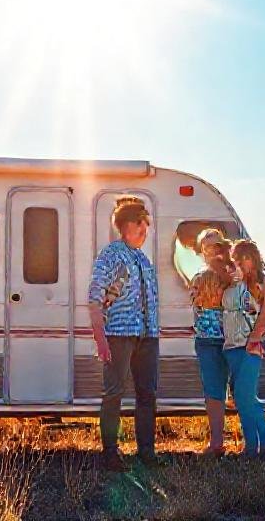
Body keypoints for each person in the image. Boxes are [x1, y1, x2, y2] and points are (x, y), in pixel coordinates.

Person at [88, 196, 159, 471]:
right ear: (126, 225)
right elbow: (95, 297)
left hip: (147, 336)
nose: (144, 230)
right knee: (114, 392)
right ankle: (110, 453)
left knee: (147, 394)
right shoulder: (111, 255)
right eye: (140, 224)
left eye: (146, 225)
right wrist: (100, 339)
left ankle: (147, 452)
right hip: (119, 335)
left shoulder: (143, 259)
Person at [225, 239, 265, 457]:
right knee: (240, 398)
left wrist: (254, 339)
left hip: (251, 346)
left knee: (245, 395)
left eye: (243, 259)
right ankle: (250, 446)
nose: (240, 263)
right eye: (237, 260)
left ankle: (263, 443)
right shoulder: (234, 283)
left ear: (252, 258)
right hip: (231, 345)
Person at [189, 233, 236, 456]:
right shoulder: (199, 276)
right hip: (207, 339)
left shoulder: (235, 272)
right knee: (213, 390)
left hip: (233, 339)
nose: (210, 251)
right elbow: (196, 301)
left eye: (215, 246)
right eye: (205, 248)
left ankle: (252, 440)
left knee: (240, 389)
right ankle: (217, 442)